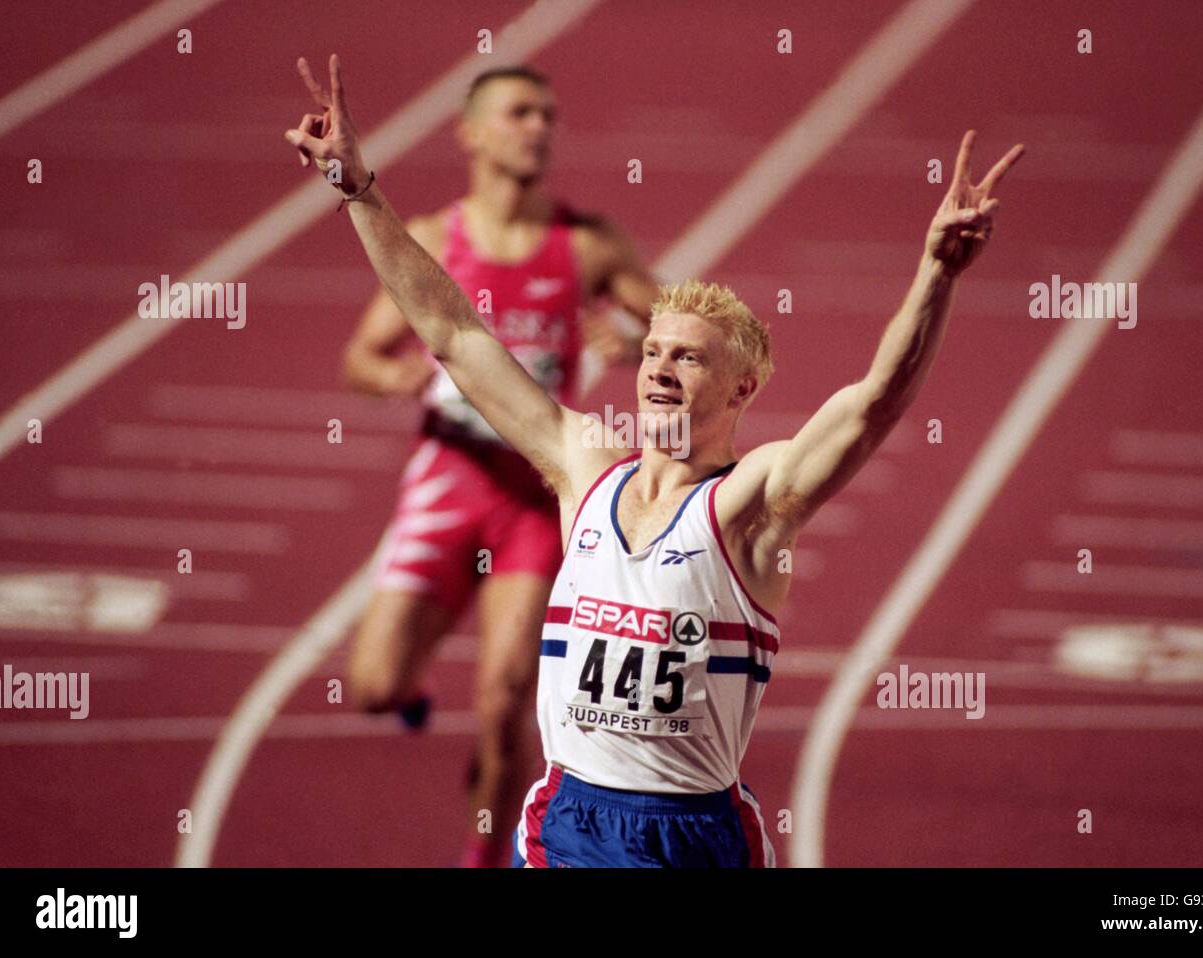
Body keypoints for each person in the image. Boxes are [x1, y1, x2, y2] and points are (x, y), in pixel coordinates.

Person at [286, 54, 1023, 867]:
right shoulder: (583, 467)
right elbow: (456, 335)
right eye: (655, 352)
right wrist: (357, 192)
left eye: (690, 359)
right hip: (567, 820)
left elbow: (876, 402)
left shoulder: (754, 504)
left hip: (691, 835)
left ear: (741, 388)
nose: (662, 368)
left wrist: (937, 274)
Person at [333, 64, 658, 868]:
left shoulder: (584, 242)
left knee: (506, 696)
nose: (539, 128)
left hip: (531, 495)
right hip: (446, 484)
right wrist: (396, 375)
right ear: (471, 132)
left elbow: (675, 313)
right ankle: (409, 690)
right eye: (519, 113)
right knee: (370, 687)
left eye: (549, 115)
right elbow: (361, 359)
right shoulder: (437, 238)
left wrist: (633, 330)